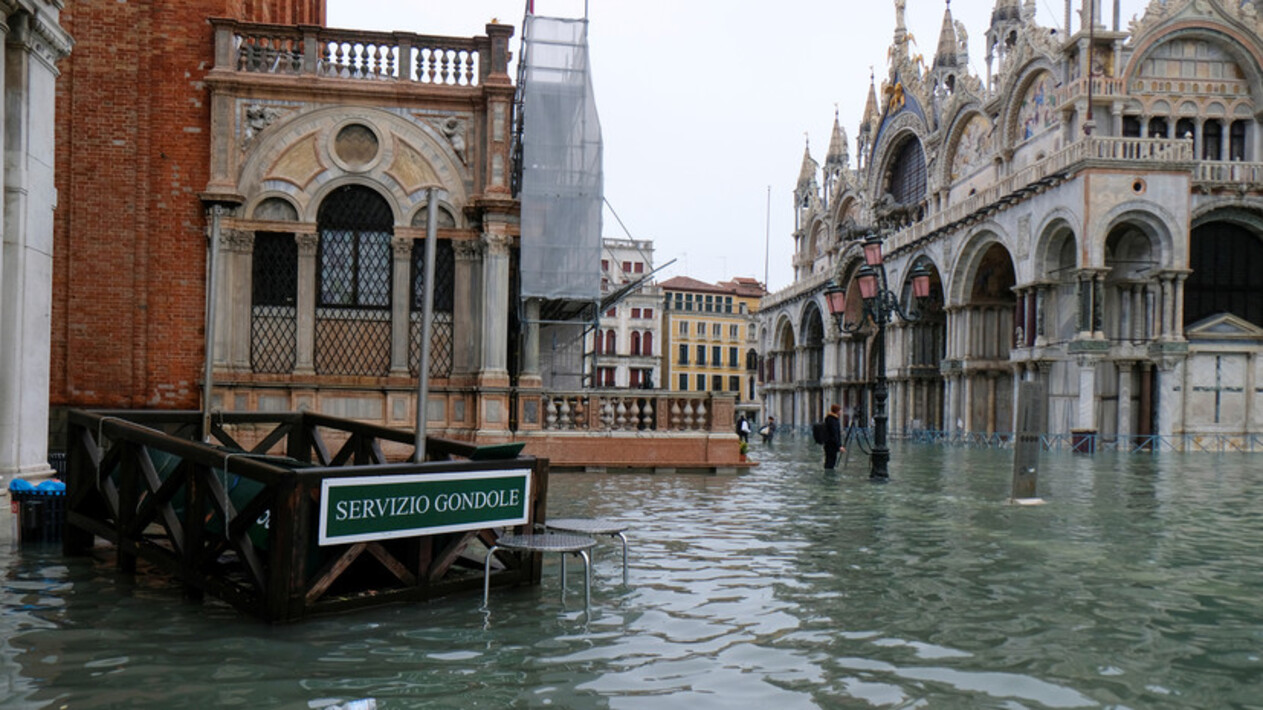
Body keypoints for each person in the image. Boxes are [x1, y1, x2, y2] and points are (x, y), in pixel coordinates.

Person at [823, 404, 846, 469]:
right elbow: (834, 434)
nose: (841, 412)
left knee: (829, 461)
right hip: (831, 445)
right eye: (840, 410)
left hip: (828, 444)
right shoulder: (833, 420)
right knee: (831, 462)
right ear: (837, 411)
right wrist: (839, 446)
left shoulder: (830, 419)